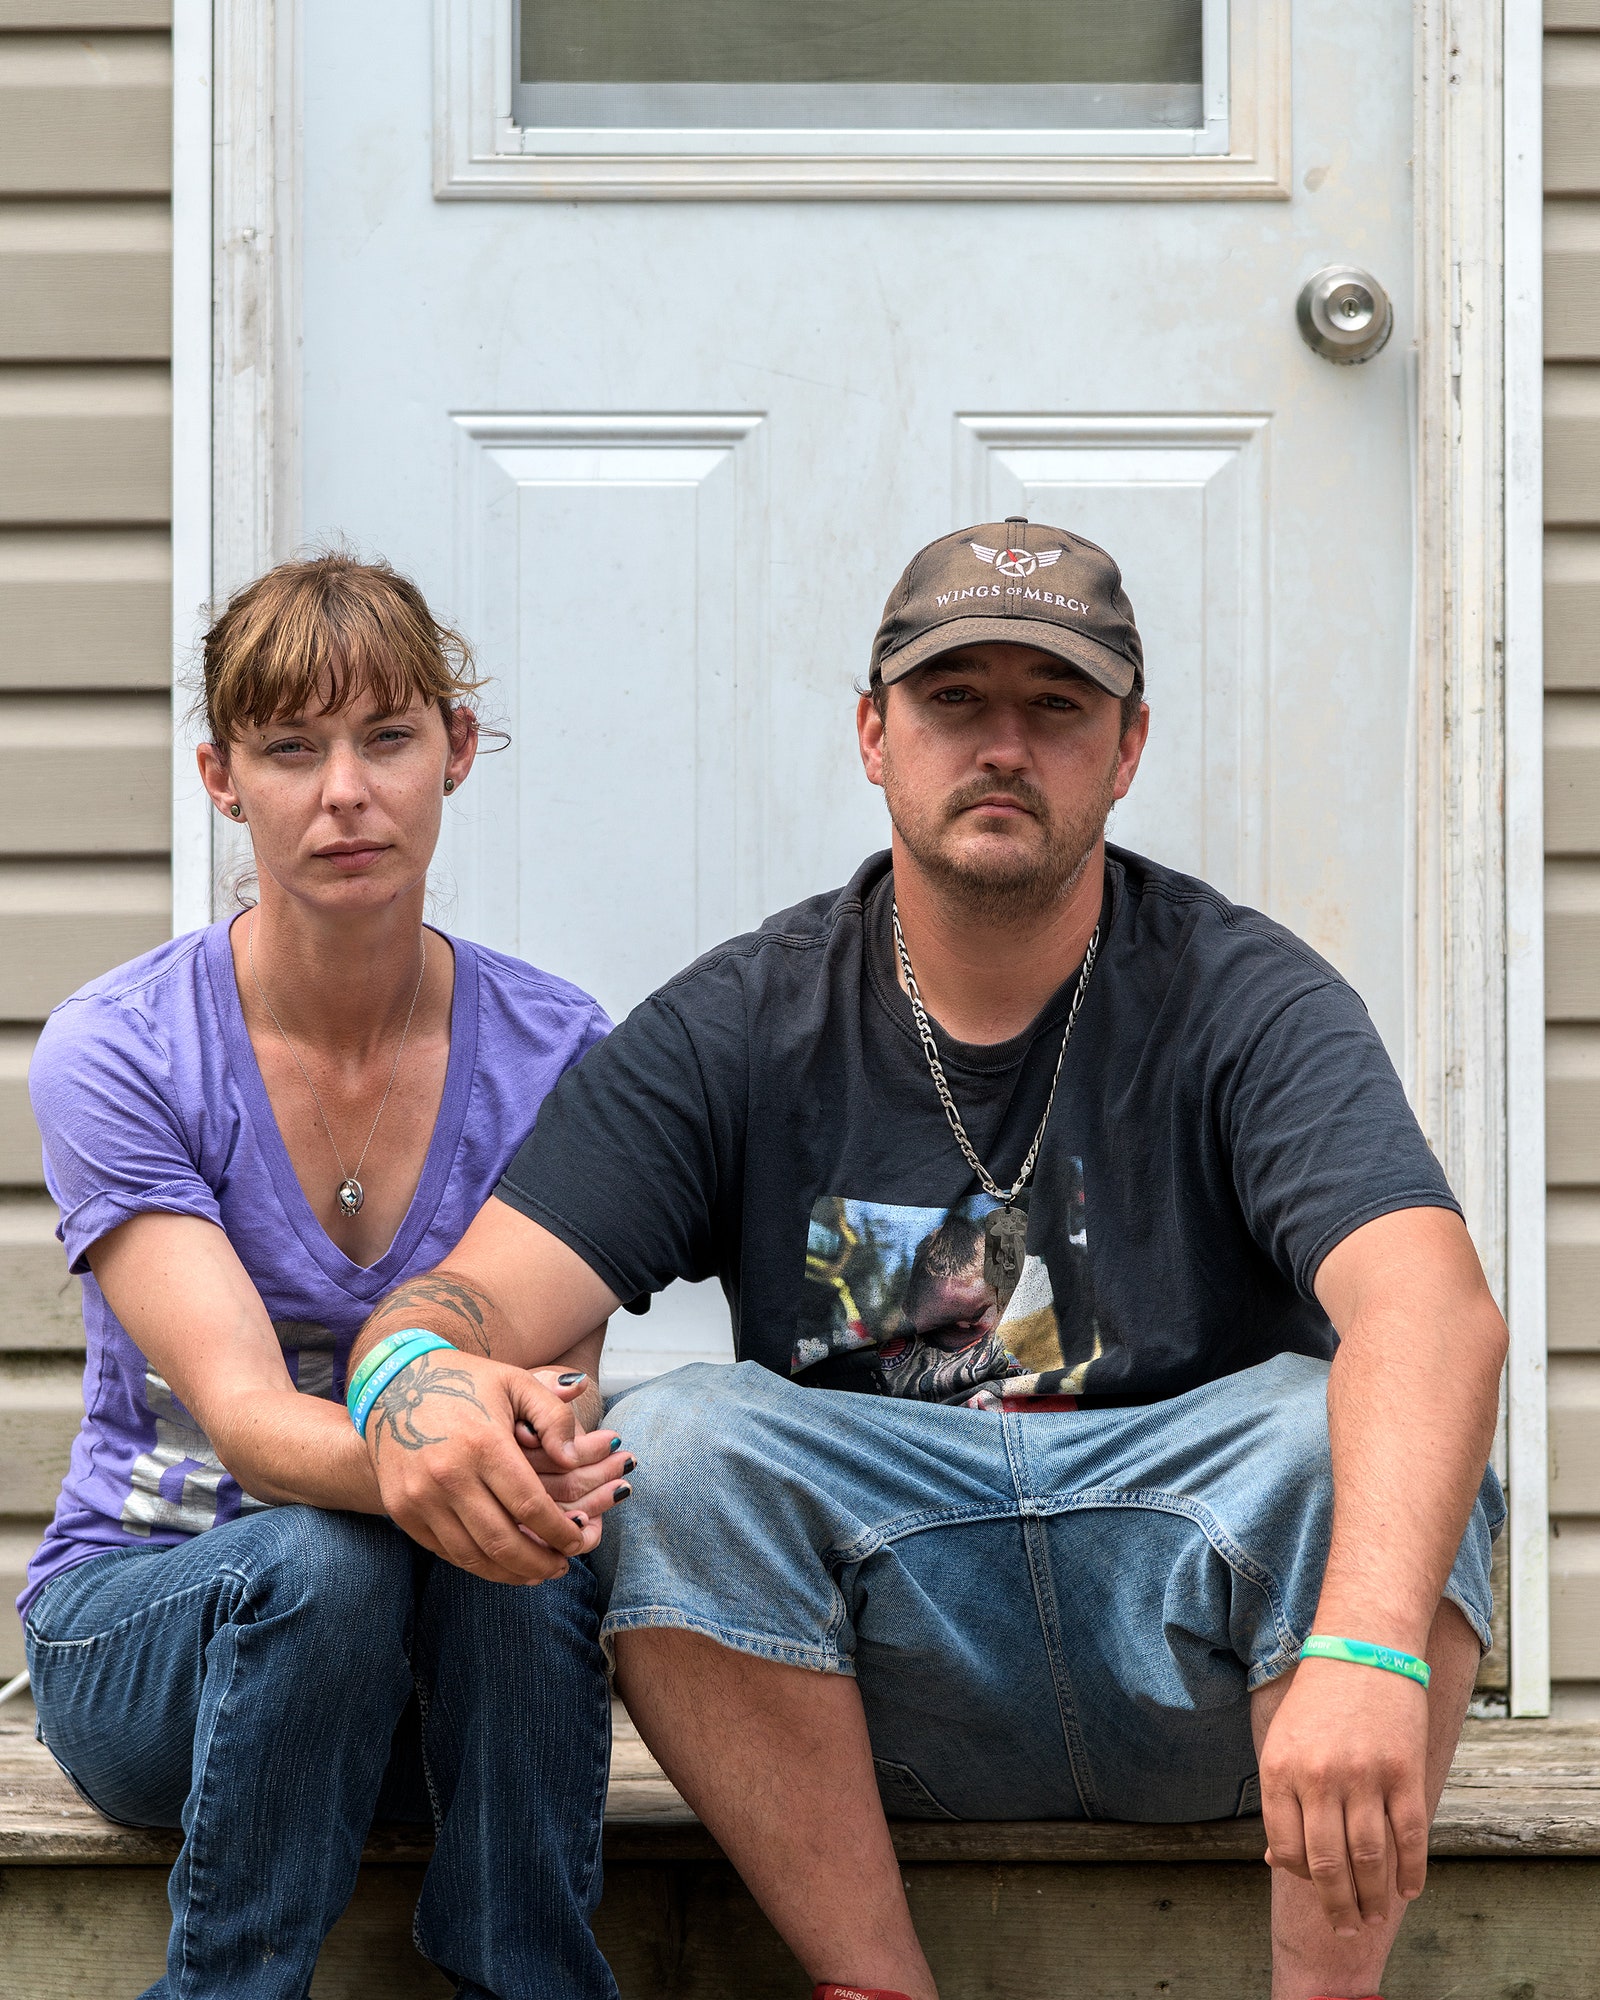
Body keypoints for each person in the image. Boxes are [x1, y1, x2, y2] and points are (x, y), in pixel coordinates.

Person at [342, 519, 1508, 2000]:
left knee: (1355, 1423)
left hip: (1218, 1673)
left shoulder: (1244, 996)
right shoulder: (745, 1022)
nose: (1003, 746)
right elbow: (463, 1302)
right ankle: (877, 1989)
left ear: (1129, 746)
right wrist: (411, 1382)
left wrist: (1367, 1650)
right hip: (884, 1692)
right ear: (873, 735)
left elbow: (1435, 1311)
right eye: (956, 702)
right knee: (682, 1440)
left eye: (1057, 707)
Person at [21, 553, 629, 2000]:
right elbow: (243, 1420)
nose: (343, 793)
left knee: (525, 1556)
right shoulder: (123, 1052)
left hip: (447, 1678)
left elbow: (556, 1417)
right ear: (222, 778)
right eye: (291, 749)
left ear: (455, 753)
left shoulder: (557, 1055)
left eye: (386, 739)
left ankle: (525, 1974)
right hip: (152, 1627)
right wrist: (464, 1443)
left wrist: (518, 1462)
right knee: (329, 1550)